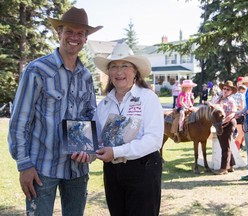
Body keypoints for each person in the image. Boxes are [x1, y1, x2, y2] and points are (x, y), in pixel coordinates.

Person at [8, 7, 102, 215]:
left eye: (80, 33)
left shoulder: (86, 76)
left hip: (77, 171)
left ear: (85, 39)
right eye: (69, 31)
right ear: (59, 33)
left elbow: (90, 114)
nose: (74, 37)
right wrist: (24, 165)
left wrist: (87, 148)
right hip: (42, 168)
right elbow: (20, 120)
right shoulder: (37, 70)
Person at [93, 43, 164, 216]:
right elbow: (96, 139)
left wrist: (116, 151)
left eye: (125, 66)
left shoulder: (147, 98)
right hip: (112, 172)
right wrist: (85, 152)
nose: (119, 72)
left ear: (135, 72)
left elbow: (153, 140)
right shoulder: (104, 104)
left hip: (143, 169)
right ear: (108, 73)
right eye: (114, 67)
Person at [213, 80, 238, 175]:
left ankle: (224, 168)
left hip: (228, 123)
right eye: (224, 88)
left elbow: (232, 114)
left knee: (225, 145)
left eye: (228, 89)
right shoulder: (217, 99)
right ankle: (231, 165)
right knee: (224, 144)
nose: (225, 90)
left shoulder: (231, 100)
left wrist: (223, 121)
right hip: (219, 124)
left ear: (231, 91)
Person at [233, 85, 247, 150]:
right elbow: (242, 106)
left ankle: (236, 147)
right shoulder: (242, 95)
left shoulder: (234, 95)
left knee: (239, 133)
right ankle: (234, 147)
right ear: (242, 89)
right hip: (240, 115)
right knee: (241, 133)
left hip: (234, 115)